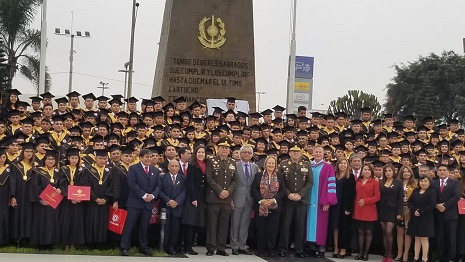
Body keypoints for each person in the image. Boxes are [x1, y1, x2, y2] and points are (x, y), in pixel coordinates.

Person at [120, 149, 161, 256]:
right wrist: (143, 195)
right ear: (141, 158)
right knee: (129, 226)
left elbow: (158, 186)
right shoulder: (133, 168)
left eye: (150, 157)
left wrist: (152, 196)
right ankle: (124, 247)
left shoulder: (155, 170)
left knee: (144, 226)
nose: (149, 159)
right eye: (146, 157)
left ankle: (143, 247)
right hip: (135, 202)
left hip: (148, 204)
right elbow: (132, 184)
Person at [277, 143, 313, 258]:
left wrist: (300, 194)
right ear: (289, 153)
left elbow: (310, 182)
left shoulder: (306, 165)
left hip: (301, 201)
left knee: (299, 226)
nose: (295, 153)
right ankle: (283, 248)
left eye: (297, 151)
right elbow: (280, 182)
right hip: (287, 200)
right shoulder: (283, 165)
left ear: (301, 153)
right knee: (285, 225)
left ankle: (299, 249)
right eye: (293, 151)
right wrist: (288, 194)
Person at [205, 138, 238, 256]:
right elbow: (209, 178)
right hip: (214, 197)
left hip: (226, 199)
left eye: (226, 148)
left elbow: (235, 180)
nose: (224, 150)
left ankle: (221, 248)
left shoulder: (233, 162)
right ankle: (210, 248)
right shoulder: (211, 161)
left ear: (229, 150)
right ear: (217, 149)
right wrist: (220, 190)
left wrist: (227, 191)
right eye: (222, 147)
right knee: (212, 224)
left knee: (224, 224)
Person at [306, 145, 338, 257]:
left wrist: (327, 202)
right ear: (312, 153)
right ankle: (311, 246)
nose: (318, 154)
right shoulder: (309, 165)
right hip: (309, 200)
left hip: (321, 201)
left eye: (320, 152)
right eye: (316, 152)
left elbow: (331, 185)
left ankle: (321, 247)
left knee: (321, 224)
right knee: (309, 222)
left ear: (323, 153)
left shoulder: (328, 167)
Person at [252, 155, 286, 257]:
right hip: (261, 206)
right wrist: (261, 201)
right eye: (269, 163)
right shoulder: (258, 175)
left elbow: (283, 190)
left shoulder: (280, 175)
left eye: (273, 163)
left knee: (272, 229)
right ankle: (261, 249)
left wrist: (274, 200)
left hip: (274, 207)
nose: (271, 165)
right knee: (261, 229)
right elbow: (254, 189)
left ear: (275, 165)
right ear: (265, 164)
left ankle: (271, 249)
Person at [30, 149, 62, 249]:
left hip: (54, 203)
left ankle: (51, 243)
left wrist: (61, 189)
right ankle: (40, 244)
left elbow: (62, 184)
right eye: (48, 159)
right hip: (42, 204)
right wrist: (41, 200)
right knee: (42, 222)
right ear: (44, 160)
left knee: (52, 222)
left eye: (52, 159)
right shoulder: (38, 171)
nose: (50, 161)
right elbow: (35, 187)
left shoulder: (59, 172)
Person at [230, 145, 258, 255]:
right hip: (237, 198)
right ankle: (234, 245)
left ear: (252, 155)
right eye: (244, 152)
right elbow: (231, 183)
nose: (247, 154)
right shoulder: (234, 165)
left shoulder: (255, 167)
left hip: (249, 199)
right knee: (235, 222)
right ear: (240, 154)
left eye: (249, 153)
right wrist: (230, 199)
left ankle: (242, 245)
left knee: (245, 223)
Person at [83, 148, 112, 246]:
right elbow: (85, 185)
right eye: (100, 158)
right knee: (91, 221)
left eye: (104, 158)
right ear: (95, 158)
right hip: (91, 202)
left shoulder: (110, 170)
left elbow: (112, 186)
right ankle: (90, 243)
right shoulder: (87, 169)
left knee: (103, 222)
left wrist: (106, 198)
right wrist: (94, 198)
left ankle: (101, 243)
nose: (102, 161)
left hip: (105, 202)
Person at [182, 146, 208, 255]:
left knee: (196, 222)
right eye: (199, 152)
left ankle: (191, 244)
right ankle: (187, 246)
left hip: (202, 198)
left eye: (203, 152)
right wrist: (193, 198)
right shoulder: (192, 166)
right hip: (193, 198)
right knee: (190, 223)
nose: (201, 154)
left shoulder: (206, 165)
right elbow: (190, 183)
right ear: (195, 153)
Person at [58, 147, 86, 250]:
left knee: (77, 221)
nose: (74, 160)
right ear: (68, 158)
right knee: (66, 221)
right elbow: (62, 184)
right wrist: (70, 197)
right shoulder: (63, 169)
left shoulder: (81, 170)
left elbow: (83, 185)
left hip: (78, 201)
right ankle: (65, 243)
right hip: (67, 201)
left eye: (76, 158)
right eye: (72, 158)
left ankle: (74, 243)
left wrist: (79, 197)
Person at [432, 164, 460, 262]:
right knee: (439, 238)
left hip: (451, 215)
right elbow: (431, 197)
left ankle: (451, 258)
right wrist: (436, 205)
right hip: (438, 215)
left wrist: (445, 206)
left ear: (448, 172)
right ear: (437, 172)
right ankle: (439, 257)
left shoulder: (455, 182)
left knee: (451, 238)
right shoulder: (434, 183)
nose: (442, 172)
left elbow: (456, 196)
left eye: (444, 170)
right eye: (440, 170)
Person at [353, 163, 380, 261]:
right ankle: (360, 252)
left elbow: (377, 197)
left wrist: (365, 201)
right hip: (358, 209)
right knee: (360, 231)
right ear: (362, 171)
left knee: (368, 232)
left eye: (368, 170)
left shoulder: (375, 182)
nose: (367, 171)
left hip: (370, 210)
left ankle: (366, 253)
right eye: (365, 169)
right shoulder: (357, 181)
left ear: (371, 171)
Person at [9, 142, 36, 244]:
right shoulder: (15, 165)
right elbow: (12, 181)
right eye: (27, 151)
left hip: (30, 195)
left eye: (31, 151)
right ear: (22, 152)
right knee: (17, 215)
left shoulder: (35, 166)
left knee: (29, 215)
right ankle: (17, 238)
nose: (29, 153)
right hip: (19, 195)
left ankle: (27, 238)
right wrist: (13, 196)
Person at [330, 157, 356, 258]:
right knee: (335, 227)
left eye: (345, 163)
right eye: (341, 163)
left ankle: (343, 249)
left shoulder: (350, 177)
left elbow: (352, 194)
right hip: (335, 205)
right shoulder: (334, 176)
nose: (343, 165)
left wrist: (348, 208)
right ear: (337, 165)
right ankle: (336, 247)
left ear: (347, 165)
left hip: (345, 206)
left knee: (344, 228)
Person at [378, 164, 403, 262]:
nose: (388, 173)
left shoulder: (398, 182)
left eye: (390, 171)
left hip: (393, 210)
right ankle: (385, 254)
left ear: (393, 172)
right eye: (386, 171)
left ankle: (390, 254)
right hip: (382, 209)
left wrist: (399, 212)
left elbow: (400, 198)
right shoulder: (381, 182)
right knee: (384, 232)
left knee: (389, 231)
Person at [407, 175, 436, 262]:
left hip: (426, 218)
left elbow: (432, 205)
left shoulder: (432, 192)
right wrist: (414, 210)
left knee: (424, 238)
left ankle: (424, 258)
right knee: (416, 238)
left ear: (429, 182)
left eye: (425, 181)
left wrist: (421, 211)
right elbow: (410, 201)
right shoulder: (416, 190)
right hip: (415, 217)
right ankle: (416, 258)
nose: (423, 183)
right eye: (421, 181)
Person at [395, 165, 418, 262]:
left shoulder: (415, 184)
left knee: (407, 233)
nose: (406, 173)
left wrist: (411, 208)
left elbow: (417, 198)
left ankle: (405, 254)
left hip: (410, 211)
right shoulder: (397, 183)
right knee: (399, 232)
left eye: (408, 171)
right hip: (399, 211)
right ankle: (399, 253)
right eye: (404, 172)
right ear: (401, 173)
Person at [0, 147, 11, 244]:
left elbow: (12, 184)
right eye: (0, 157)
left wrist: (11, 196)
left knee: (3, 216)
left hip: (4, 196)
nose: (2, 159)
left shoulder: (9, 169)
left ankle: (3, 240)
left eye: (4, 157)